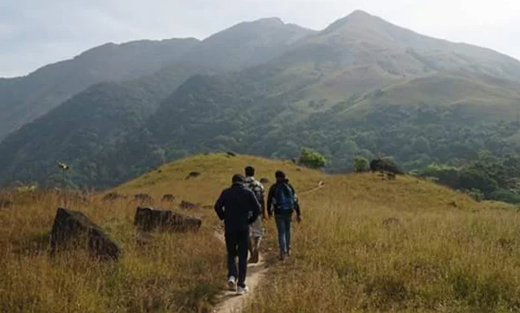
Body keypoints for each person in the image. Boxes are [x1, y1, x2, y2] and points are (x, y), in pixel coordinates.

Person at [214, 174, 260, 295]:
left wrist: (223, 216)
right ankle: (241, 285)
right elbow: (257, 208)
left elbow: (217, 206)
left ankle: (232, 277)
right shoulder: (248, 192)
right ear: (243, 182)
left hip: (230, 228)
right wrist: (250, 220)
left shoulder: (226, 192)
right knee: (243, 256)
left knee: (231, 253)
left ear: (232, 182)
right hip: (243, 228)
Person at [267, 170, 301, 261]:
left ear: (276, 177)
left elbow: (269, 200)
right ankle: (288, 249)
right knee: (288, 230)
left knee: (281, 232)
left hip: (278, 212)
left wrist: (269, 212)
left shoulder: (274, 187)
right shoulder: (289, 186)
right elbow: (295, 200)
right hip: (289, 211)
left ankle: (283, 251)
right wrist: (298, 213)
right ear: (284, 176)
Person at [244, 166, 266, 264]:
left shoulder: (243, 185)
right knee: (258, 232)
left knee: (247, 233)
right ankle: (256, 247)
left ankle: (252, 253)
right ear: (254, 173)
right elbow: (262, 199)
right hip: (257, 211)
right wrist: (264, 212)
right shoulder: (259, 185)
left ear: (245, 173)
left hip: (245, 212)